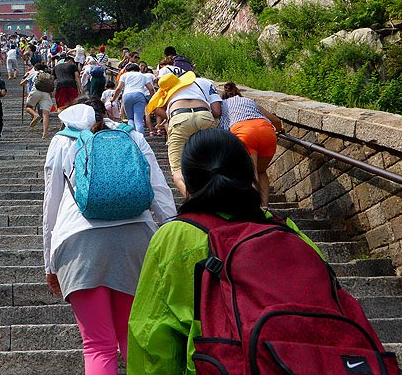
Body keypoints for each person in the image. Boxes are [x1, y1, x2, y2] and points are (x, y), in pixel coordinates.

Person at [127, 128, 320, 374]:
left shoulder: (174, 237)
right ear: (248, 175)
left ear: (189, 181)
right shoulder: (284, 228)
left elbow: (151, 336)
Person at [43, 98, 177, 375]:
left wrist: (49, 263)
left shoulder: (63, 140)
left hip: (78, 242)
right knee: (132, 337)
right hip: (136, 240)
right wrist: (172, 239)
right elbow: (160, 193)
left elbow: (51, 203)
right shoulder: (133, 136)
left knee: (98, 345)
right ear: (110, 113)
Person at [145, 71, 221, 197]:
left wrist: (171, 117)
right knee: (213, 162)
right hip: (204, 115)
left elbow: (156, 109)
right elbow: (217, 111)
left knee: (177, 170)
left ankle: (194, 203)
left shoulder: (167, 91)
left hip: (179, 117)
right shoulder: (204, 82)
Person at [219, 82, 284, 207]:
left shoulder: (223, 106)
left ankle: (253, 209)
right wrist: (280, 130)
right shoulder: (250, 102)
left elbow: (222, 130)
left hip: (244, 133)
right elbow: (275, 120)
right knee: (261, 171)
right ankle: (265, 207)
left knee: (250, 174)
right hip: (267, 132)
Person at [110, 64, 155, 135]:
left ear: (127, 70)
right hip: (139, 95)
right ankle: (141, 139)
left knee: (130, 119)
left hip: (127, 96)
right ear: (138, 69)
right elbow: (151, 89)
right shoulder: (143, 76)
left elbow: (118, 89)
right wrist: (152, 100)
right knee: (138, 120)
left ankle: (132, 137)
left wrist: (113, 99)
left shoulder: (124, 75)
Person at [21, 62, 54, 139]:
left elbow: (22, 83)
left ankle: (35, 115)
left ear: (35, 68)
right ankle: (45, 133)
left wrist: (24, 77)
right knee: (45, 114)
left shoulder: (34, 73)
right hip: (46, 94)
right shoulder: (47, 75)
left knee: (28, 107)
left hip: (36, 91)